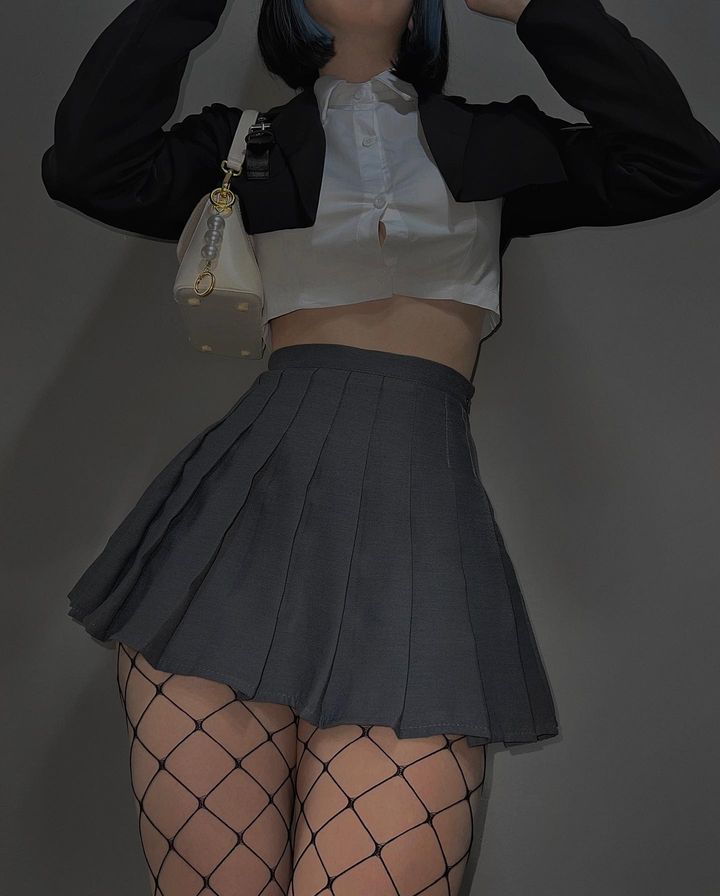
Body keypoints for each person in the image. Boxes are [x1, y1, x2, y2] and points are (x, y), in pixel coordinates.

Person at [40, 1, 720, 894]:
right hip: (241, 526)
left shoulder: (494, 142)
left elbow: (678, 159)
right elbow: (87, 166)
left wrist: (538, 6)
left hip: (418, 530)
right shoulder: (242, 145)